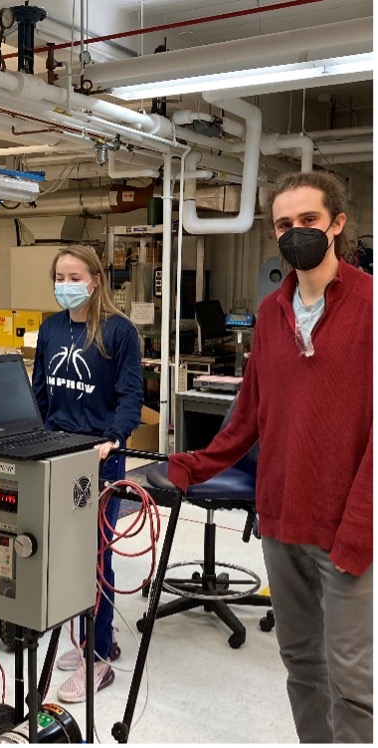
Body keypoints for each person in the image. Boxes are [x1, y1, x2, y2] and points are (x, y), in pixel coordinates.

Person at [168, 170, 372, 743]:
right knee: (302, 665)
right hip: (282, 522)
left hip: (344, 528)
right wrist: (188, 465)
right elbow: (248, 418)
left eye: (308, 220)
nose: (295, 232)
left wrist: (359, 528)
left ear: (337, 224)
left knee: (353, 681)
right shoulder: (270, 314)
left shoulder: (371, 307)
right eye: (284, 224)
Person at [32, 244, 143, 703]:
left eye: (75, 276)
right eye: (60, 276)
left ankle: (99, 654)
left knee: (96, 557)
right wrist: (30, 435)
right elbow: (40, 390)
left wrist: (113, 438)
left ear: (95, 280)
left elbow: (131, 396)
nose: (66, 285)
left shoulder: (119, 332)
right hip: (57, 452)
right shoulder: (50, 328)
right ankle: (83, 639)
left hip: (100, 456)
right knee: (64, 555)